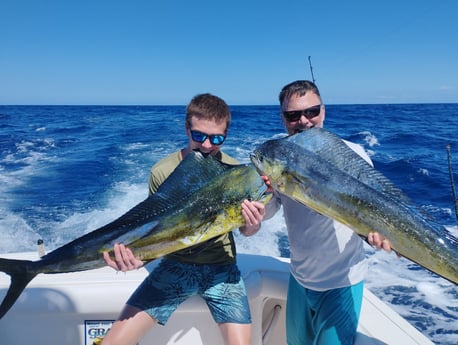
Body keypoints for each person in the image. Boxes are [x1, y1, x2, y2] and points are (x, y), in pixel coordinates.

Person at [101, 93, 266, 345]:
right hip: (174, 266)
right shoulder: (162, 172)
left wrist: (253, 225)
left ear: (226, 135)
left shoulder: (237, 173)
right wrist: (137, 257)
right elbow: (156, 233)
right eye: (199, 136)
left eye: (217, 138)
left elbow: (246, 231)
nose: (208, 145)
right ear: (186, 128)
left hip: (222, 268)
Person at [262, 80, 391, 345]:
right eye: (293, 115)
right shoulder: (277, 160)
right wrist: (254, 210)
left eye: (312, 111)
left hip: (341, 284)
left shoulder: (353, 155)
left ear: (323, 111)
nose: (304, 121)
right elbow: (264, 215)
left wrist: (376, 235)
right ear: (283, 119)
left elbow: (373, 212)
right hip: (299, 280)